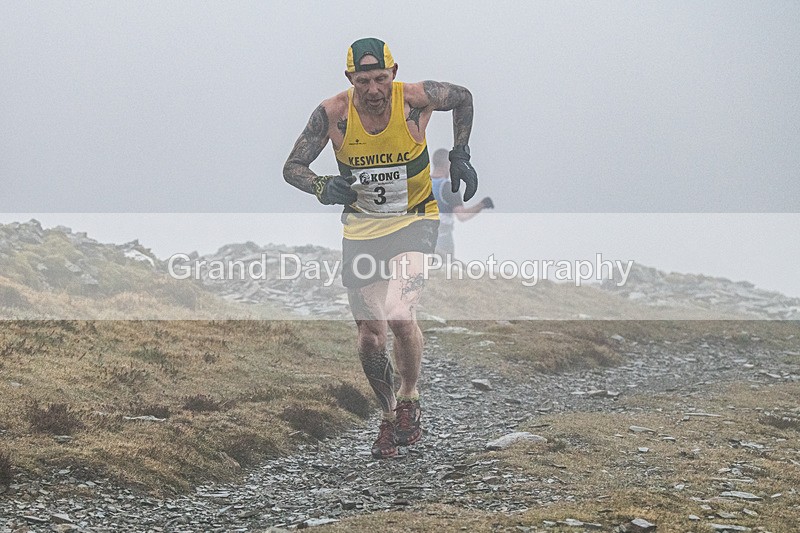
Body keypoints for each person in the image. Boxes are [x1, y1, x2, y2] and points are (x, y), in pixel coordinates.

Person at [283, 38, 478, 459]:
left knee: (400, 313)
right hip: (362, 229)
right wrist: (322, 186)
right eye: (363, 81)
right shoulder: (333, 113)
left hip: (415, 219)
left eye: (381, 79)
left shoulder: (415, 99)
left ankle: (409, 399)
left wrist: (460, 153)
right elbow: (292, 167)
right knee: (371, 337)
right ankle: (388, 418)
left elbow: (463, 98)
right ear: (350, 79)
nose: (373, 90)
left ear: (393, 73)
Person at [430, 148, 493, 259]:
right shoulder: (448, 188)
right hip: (443, 240)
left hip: (423, 239)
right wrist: (482, 204)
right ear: (448, 165)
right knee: (445, 273)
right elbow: (462, 216)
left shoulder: (423, 184)